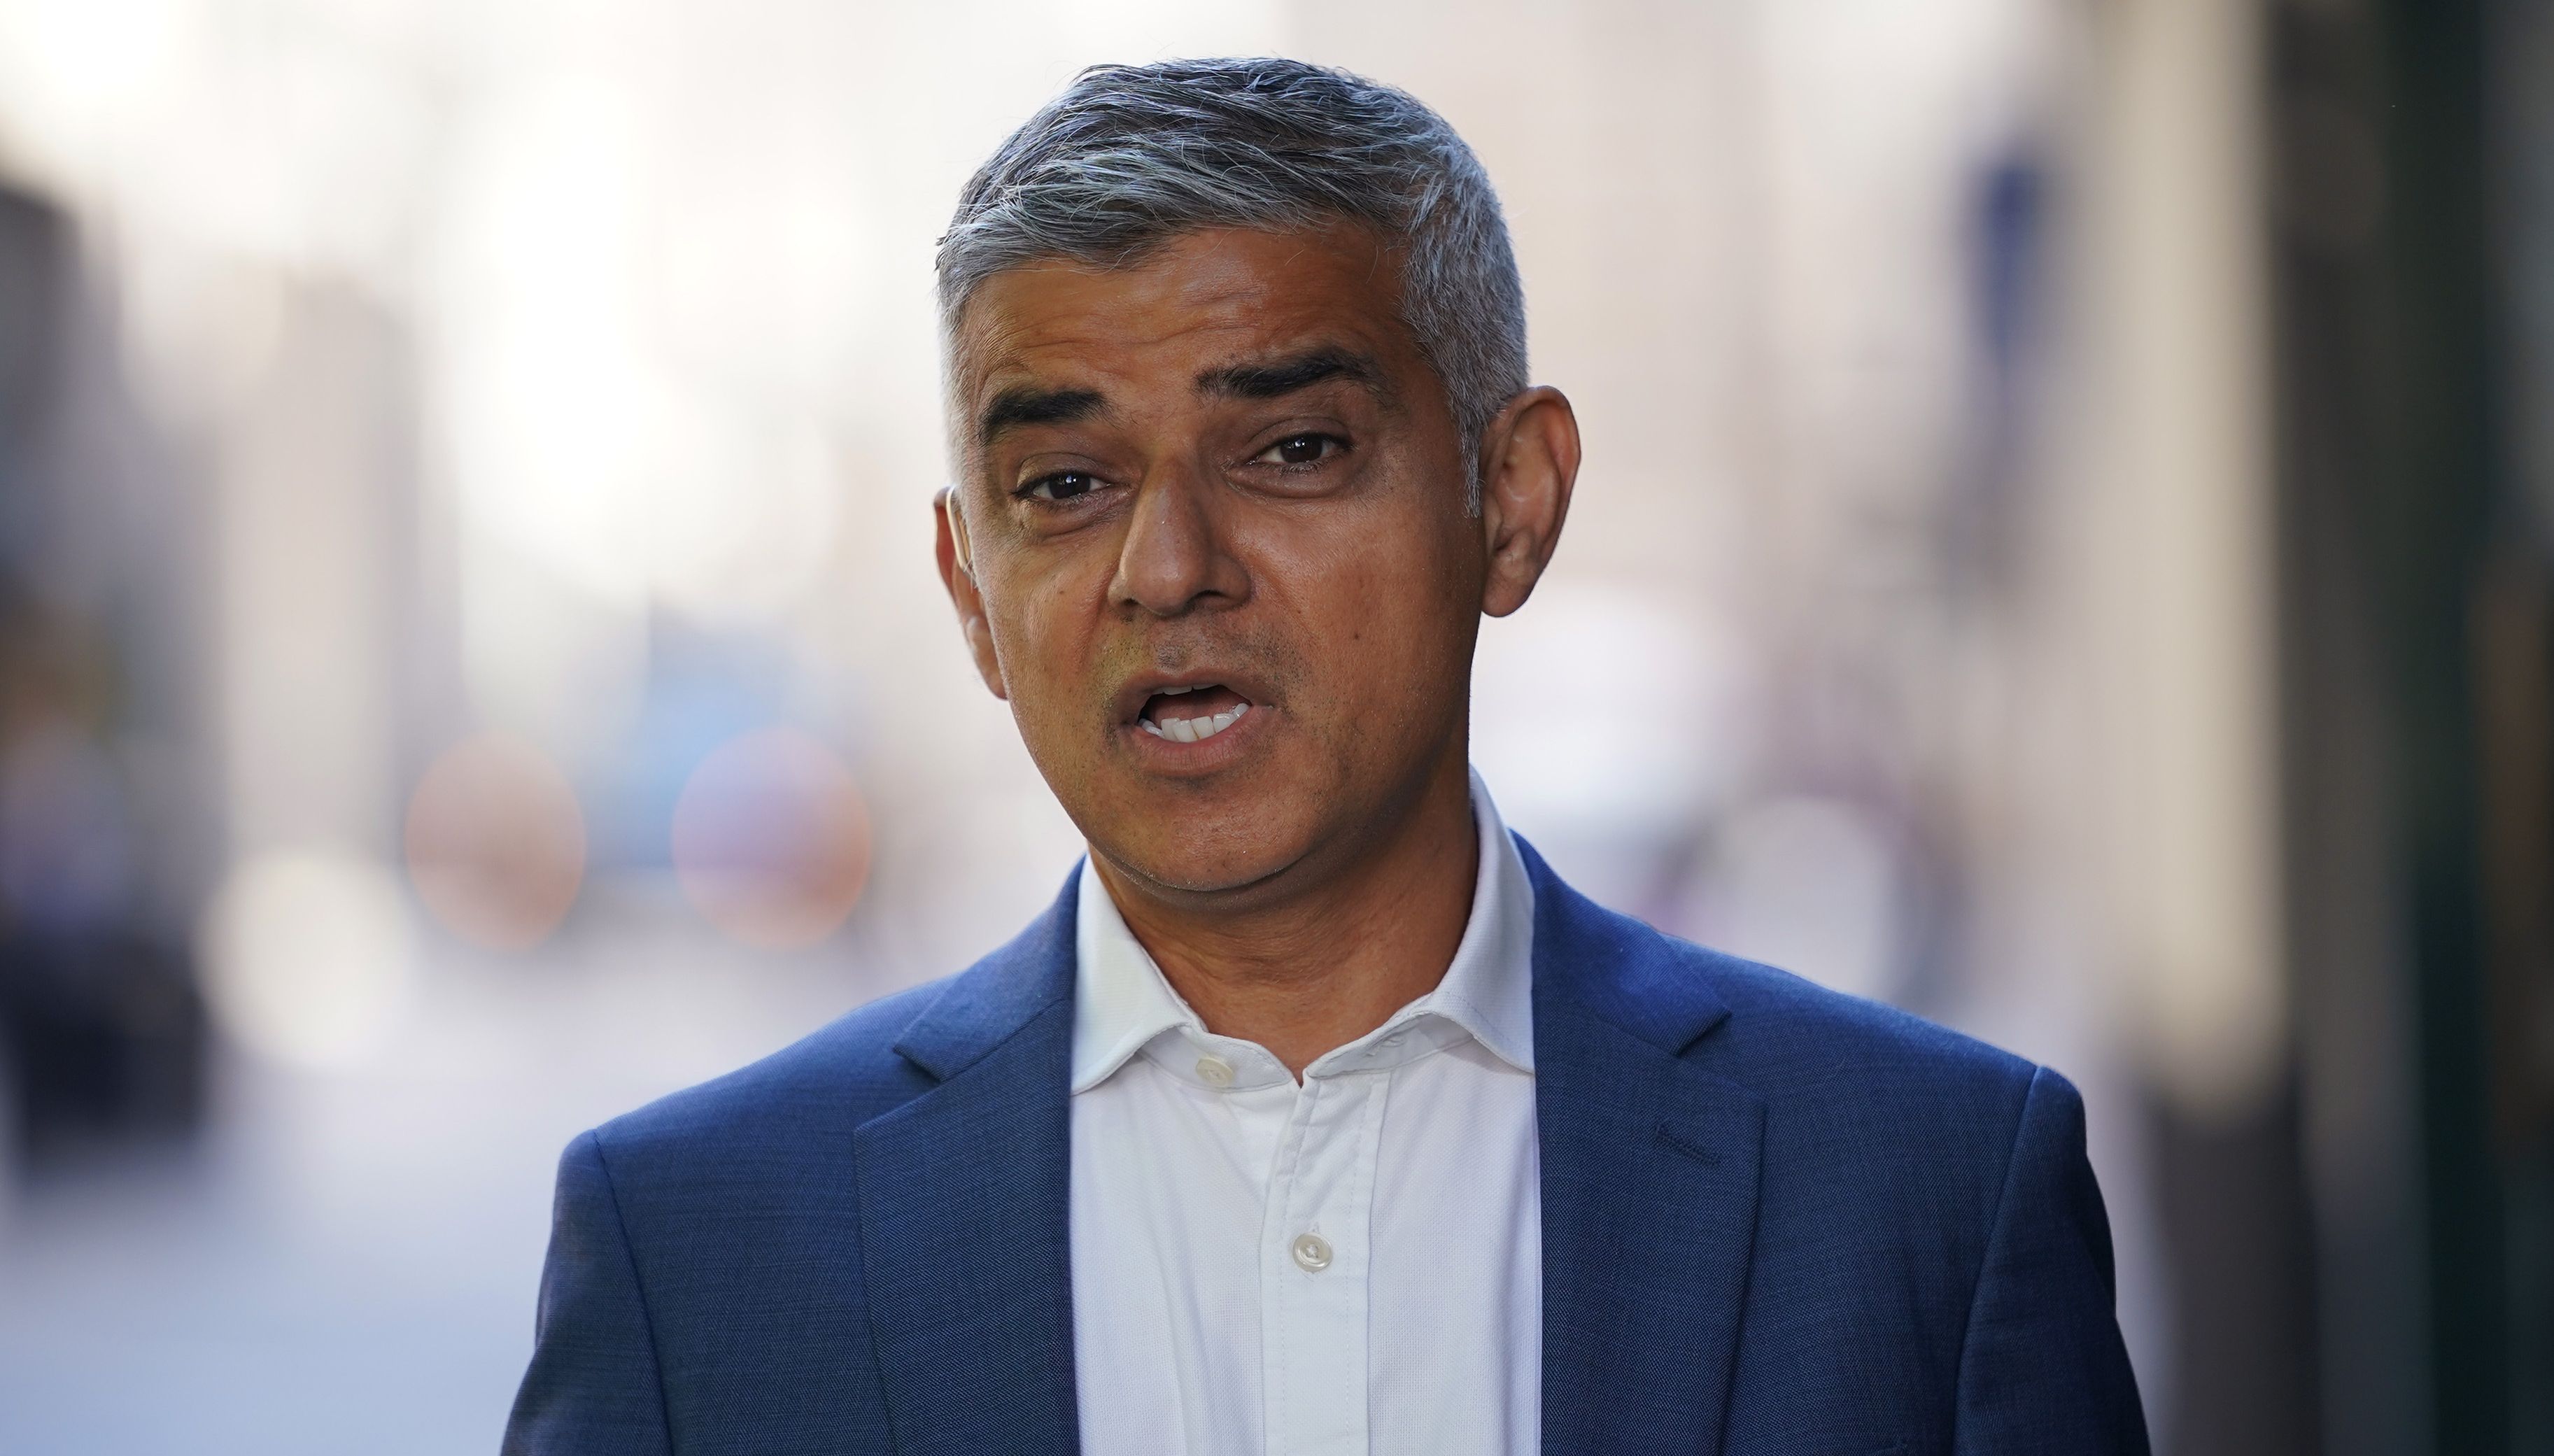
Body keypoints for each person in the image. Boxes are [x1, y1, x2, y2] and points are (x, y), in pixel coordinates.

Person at [503, 57, 2147, 1456]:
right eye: (1065, 486)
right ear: (970, 596)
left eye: (1289, 450)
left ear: (1511, 499)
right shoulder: (695, 1252)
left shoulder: (1925, 1199)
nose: (1167, 566)